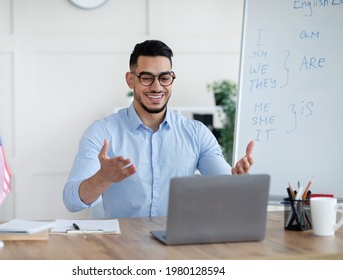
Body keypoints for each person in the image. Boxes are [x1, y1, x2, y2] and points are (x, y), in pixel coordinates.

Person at [63, 39, 254, 218]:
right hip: (121, 247)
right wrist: (102, 178)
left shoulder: (197, 133)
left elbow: (225, 188)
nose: (156, 87)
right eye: (146, 78)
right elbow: (72, 202)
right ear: (131, 80)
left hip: (176, 245)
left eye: (164, 78)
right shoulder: (102, 132)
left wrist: (237, 181)